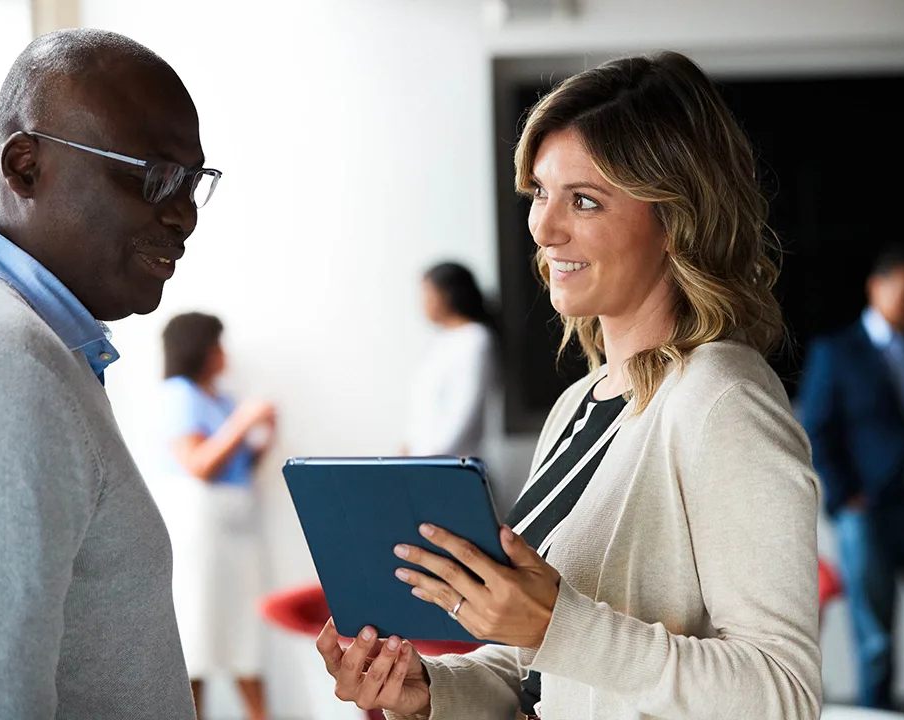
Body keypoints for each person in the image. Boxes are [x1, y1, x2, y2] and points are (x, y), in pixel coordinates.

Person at [315, 51, 822, 720]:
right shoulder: (578, 407)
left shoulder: (721, 399)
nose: (544, 228)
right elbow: (537, 669)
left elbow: (782, 694)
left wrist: (558, 625)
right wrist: (432, 692)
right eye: (540, 194)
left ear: (676, 220)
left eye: (583, 200)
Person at [0, 29, 218, 719]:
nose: (183, 213)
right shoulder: (2, 362)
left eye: (193, 181)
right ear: (24, 167)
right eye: (153, 173)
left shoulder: (37, 346)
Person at [799, 245, 904, 710]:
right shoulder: (837, 351)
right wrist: (846, 496)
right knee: (875, 640)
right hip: (866, 512)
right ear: (877, 288)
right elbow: (816, 428)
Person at [148, 312, 276, 720]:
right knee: (198, 635)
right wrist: (245, 421)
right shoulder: (179, 394)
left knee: (243, 636)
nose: (225, 354)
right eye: (218, 344)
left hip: (234, 526)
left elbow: (237, 466)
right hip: (201, 532)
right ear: (200, 348)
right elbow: (199, 464)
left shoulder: (221, 399)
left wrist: (265, 436)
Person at [403, 262, 498, 458]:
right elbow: (424, 410)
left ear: (446, 295)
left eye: (427, 294)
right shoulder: (441, 341)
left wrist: (432, 457)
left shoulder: (475, 339)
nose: (423, 303)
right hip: (423, 465)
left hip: (451, 466)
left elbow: (464, 412)